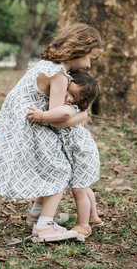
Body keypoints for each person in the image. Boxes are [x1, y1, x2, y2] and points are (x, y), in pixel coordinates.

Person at [0, 22, 101, 242]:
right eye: (90, 58)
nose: (90, 65)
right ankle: (44, 227)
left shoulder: (48, 63)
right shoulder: (60, 75)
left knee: (50, 166)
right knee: (59, 169)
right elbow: (56, 118)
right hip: (30, 124)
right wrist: (82, 116)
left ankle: (36, 214)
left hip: (17, 121)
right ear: (80, 50)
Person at [27, 71, 102, 240]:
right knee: (84, 187)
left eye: (73, 95)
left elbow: (63, 117)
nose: (67, 97)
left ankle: (84, 225)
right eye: (67, 91)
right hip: (77, 154)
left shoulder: (71, 109)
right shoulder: (72, 107)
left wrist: (42, 116)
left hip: (82, 155)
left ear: (81, 101)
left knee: (79, 191)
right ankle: (94, 217)